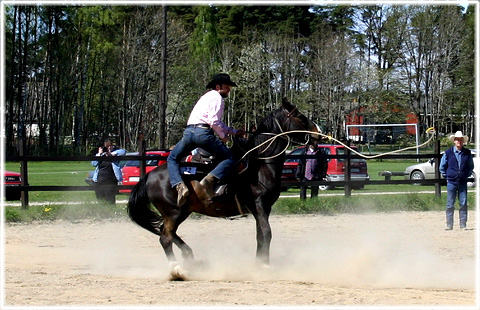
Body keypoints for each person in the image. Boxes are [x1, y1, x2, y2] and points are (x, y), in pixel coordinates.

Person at [167, 73, 245, 206]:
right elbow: (214, 121)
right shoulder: (217, 98)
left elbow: (214, 122)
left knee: (172, 158)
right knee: (230, 158)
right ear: (218, 86)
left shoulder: (205, 97)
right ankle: (209, 180)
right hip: (203, 133)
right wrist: (223, 136)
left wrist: (233, 131)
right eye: (226, 87)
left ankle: (180, 186)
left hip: (189, 132)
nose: (229, 90)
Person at [439, 131, 474, 230]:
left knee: (463, 203)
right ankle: (449, 224)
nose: (459, 141)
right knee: (450, 204)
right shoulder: (448, 153)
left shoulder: (467, 153)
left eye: (460, 139)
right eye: (457, 139)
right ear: (454, 141)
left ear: (463, 141)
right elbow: (442, 167)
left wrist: (466, 175)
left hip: (462, 182)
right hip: (451, 182)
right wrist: (447, 177)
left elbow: (470, 166)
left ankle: (463, 224)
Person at [91, 139, 126, 204]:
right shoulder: (101, 156)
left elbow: (123, 152)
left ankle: (111, 213)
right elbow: (93, 163)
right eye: (107, 146)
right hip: (99, 182)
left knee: (110, 201)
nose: (109, 148)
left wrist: (112, 154)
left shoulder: (115, 156)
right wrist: (99, 154)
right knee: (101, 201)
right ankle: (102, 213)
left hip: (111, 182)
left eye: (110, 146)